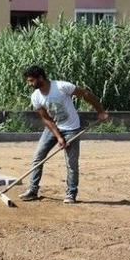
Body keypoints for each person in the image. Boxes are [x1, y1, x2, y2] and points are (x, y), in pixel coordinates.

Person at [19, 65, 108, 204]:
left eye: (31, 81)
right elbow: (46, 118)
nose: (29, 84)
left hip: (72, 128)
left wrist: (100, 111)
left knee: (71, 163)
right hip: (52, 128)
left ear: (40, 78)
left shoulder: (61, 87)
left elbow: (85, 94)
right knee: (38, 157)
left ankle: (71, 193)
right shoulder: (36, 96)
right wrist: (59, 137)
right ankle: (32, 190)